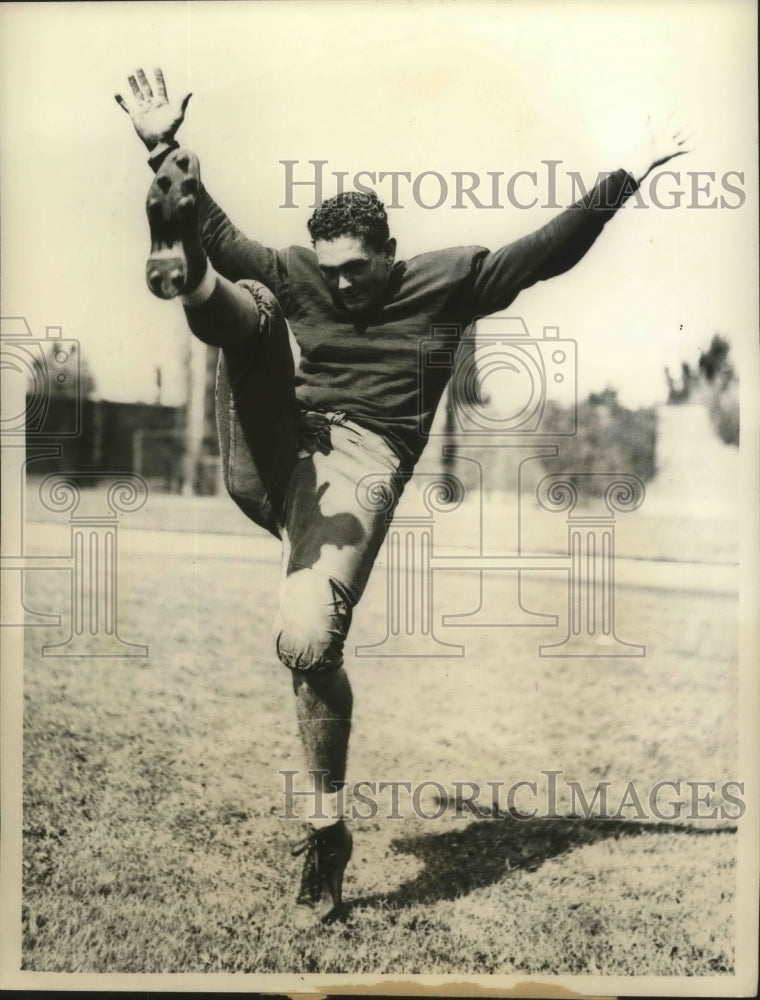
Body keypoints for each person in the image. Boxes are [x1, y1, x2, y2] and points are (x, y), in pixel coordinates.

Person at [115, 67, 689, 927]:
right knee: (258, 305)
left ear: (389, 251)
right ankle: (185, 274)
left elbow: (547, 249)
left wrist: (630, 171)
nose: (345, 286)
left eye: (359, 271)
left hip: (358, 463)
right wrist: (162, 147)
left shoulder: (445, 283)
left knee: (308, 641)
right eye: (335, 273)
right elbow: (229, 226)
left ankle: (324, 835)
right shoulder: (302, 273)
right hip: (273, 444)